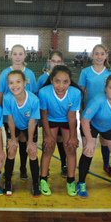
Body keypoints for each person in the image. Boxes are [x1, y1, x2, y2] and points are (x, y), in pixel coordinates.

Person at [0, 44, 37, 181]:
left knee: (25, 142)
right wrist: (0, 116)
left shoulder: (30, 73)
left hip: (26, 116)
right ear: (10, 56)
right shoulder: (4, 73)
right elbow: (0, 94)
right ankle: (9, 169)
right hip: (10, 115)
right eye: (15, 54)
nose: (18, 57)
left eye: (20, 54)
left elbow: (34, 94)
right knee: (12, 143)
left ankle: (23, 167)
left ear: (25, 55)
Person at [38, 65, 81, 196]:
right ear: (51, 80)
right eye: (57, 81)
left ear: (69, 82)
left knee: (71, 148)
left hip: (67, 120)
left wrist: (74, 136)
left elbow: (72, 116)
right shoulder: (44, 92)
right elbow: (44, 115)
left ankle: (70, 181)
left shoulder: (75, 93)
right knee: (48, 148)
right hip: (50, 119)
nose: (61, 86)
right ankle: (43, 180)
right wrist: (48, 136)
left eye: (65, 82)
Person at [78, 44, 111, 177]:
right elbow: (81, 92)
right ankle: (85, 168)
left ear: (106, 55)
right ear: (92, 55)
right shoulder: (85, 72)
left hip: (106, 115)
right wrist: (80, 110)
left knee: (105, 142)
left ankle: (106, 165)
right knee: (88, 143)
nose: (99, 56)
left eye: (102, 54)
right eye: (96, 54)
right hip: (90, 115)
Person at [3, 70, 41, 197]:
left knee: (32, 151)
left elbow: (32, 123)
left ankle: (36, 183)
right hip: (14, 124)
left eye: (18, 81)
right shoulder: (7, 98)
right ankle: (7, 182)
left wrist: (31, 141)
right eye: (11, 82)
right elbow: (10, 120)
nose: (15, 85)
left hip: (28, 126)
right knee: (11, 150)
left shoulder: (34, 100)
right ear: (8, 85)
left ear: (25, 83)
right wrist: (13, 139)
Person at [37, 50, 69, 178]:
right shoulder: (42, 78)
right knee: (48, 141)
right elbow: (38, 97)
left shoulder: (65, 77)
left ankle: (64, 165)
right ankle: (45, 168)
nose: (56, 63)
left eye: (58, 61)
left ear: (62, 62)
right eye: (53, 61)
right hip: (48, 118)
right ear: (48, 62)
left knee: (62, 141)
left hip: (63, 117)